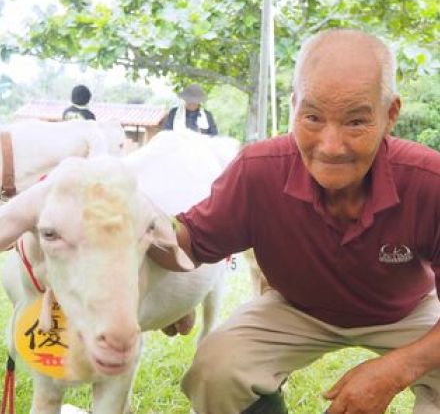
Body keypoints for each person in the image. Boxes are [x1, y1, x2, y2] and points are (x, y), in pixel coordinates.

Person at [150, 29, 440, 414]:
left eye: (355, 121)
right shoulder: (258, 171)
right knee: (216, 369)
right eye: (313, 117)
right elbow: (190, 241)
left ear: (390, 115)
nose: (331, 146)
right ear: (292, 108)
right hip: (295, 308)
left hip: (404, 312)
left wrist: (391, 372)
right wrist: (137, 223)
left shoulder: (428, 181)